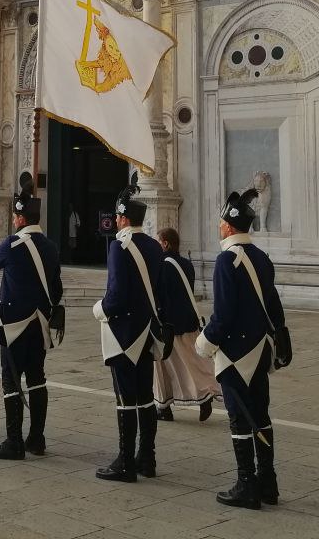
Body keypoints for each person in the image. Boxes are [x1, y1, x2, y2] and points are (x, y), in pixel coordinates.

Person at [195, 188, 290, 510]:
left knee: (239, 418)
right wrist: (280, 332)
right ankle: (268, 481)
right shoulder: (260, 258)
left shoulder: (227, 260)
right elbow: (272, 302)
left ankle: (246, 483)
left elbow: (224, 313)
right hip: (261, 348)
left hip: (235, 351)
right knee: (260, 413)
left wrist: (206, 342)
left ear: (228, 226)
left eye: (221, 221)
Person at [0, 172, 63, 460]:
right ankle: (37, 438)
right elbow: (56, 288)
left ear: (19, 218)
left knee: (11, 380)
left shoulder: (12, 244)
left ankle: (14, 441)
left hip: (14, 325)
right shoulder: (52, 247)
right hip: (40, 323)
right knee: (37, 379)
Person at [93, 173, 165, 482]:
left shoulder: (118, 248)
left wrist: (100, 309)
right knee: (146, 396)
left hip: (123, 334)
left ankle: (125, 460)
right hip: (147, 330)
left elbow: (117, 296)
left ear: (122, 218)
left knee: (125, 397)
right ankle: (146, 458)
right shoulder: (153, 246)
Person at [153, 227, 219, 422]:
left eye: (159, 241)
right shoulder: (187, 265)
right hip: (189, 321)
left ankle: (163, 407)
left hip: (169, 326)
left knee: (160, 366)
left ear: (165, 243)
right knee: (195, 363)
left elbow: (162, 297)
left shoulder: (163, 266)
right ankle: (204, 395)